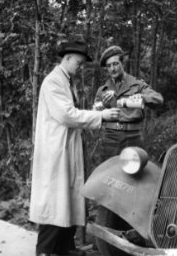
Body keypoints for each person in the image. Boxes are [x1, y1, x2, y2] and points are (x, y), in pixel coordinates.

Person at [29, 35, 120, 256]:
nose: (79, 68)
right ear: (68, 58)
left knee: (67, 199)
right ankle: (45, 251)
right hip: (55, 150)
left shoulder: (66, 81)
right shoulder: (53, 81)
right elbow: (67, 115)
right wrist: (101, 116)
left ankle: (65, 248)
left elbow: (74, 112)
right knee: (55, 202)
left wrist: (98, 110)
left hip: (66, 148)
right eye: (78, 63)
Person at [93, 45, 163, 162]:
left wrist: (142, 97)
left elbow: (158, 100)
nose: (112, 69)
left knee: (135, 175)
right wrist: (104, 106)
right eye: (109, 66)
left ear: (122, 63)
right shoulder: (102, 90)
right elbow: (95, 113)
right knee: (108, 174)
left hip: (133, 137)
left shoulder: (137, 84)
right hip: (110, 138)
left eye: (115, 64)